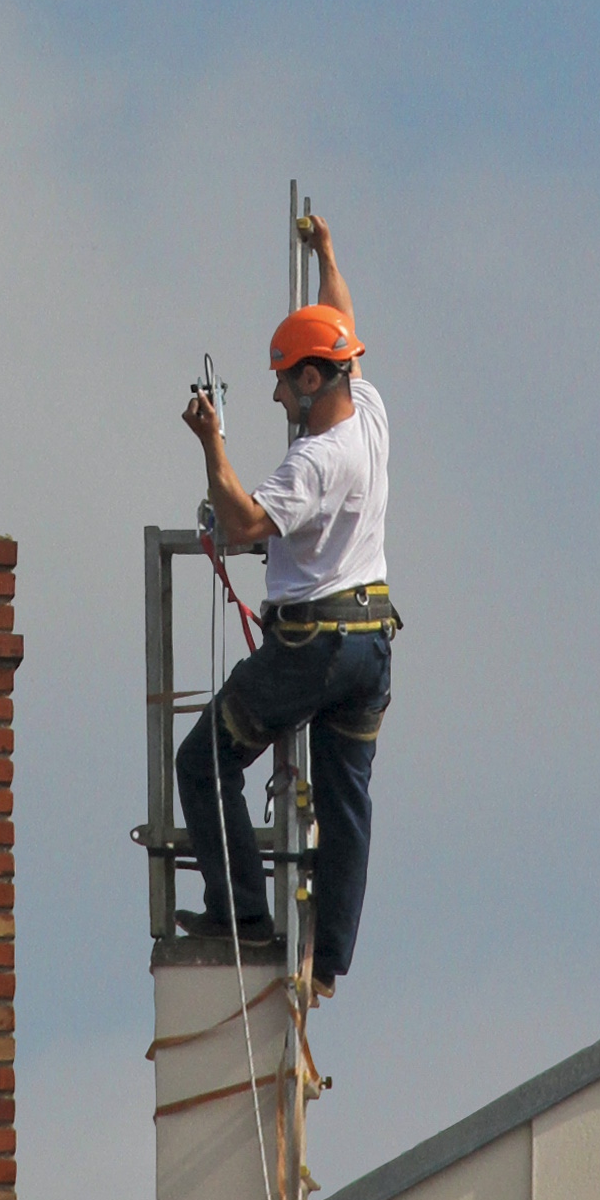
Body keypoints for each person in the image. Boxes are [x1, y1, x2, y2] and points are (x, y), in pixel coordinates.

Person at [175, 215, 394, 1000]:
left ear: (310, 379)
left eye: (281, 378)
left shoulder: (314, 461)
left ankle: (241, 916)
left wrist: (213, 445)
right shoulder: (366, 410)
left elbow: (240, 525)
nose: (274, 390)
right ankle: (328, 961)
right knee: (345, 800)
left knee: (202, 761)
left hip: (314, 647)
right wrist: (328, 256)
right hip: (370, 643)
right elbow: (343, 323)